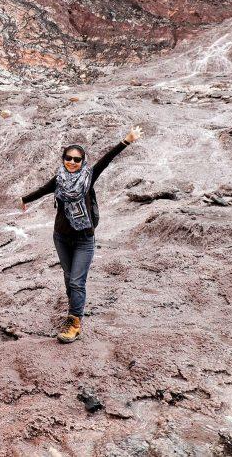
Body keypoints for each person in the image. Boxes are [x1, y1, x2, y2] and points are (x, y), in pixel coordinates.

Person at [19, 126, 143, 343]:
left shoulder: (88, 176)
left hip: (84, 238)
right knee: (69, 279)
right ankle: (72, 311)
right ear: (63, 159)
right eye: (69, 158)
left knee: (77, 281)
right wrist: (24, 199)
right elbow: (42, 190)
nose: (72, 163)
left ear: (83, 161)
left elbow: (107, 159)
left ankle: (74, 322)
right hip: (61, 237)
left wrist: (127, 140)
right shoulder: (59, 179)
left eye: (77, 160)